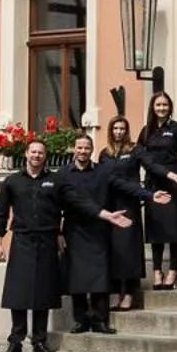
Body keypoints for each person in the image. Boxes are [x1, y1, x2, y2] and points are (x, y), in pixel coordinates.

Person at [60, 131, 152, 335]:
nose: (83, 151)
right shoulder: (63, 174)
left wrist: (150, 195)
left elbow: (125, 185)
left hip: (99, 230)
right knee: (77, 279)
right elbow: (57, 204)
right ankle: (81, 320)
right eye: (80, 147)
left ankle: (100, 320)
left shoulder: (102, 171)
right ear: (74, 150)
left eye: (86, 148)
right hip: (74, 230)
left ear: (92, 150)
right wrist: (58, 232)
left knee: (100, 277)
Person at [0, 139, 70, 352]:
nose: (36, 156)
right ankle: (16, 342)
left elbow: (66, 209)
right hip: (22, 241)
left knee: (43, 293)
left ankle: (40, 341)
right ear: (26, 154)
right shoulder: (12, 182)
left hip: (47, 240)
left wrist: (61, 234)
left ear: (45, 156)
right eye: (33, 152)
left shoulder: (55, 181)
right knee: (19, 293)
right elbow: (0, 213)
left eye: (40, 153)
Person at [135, 92, 177, 291]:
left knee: (174, 229)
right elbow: (140, 156)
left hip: (175, 182)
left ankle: (173, 270)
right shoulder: (146, 131)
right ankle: (157, 271)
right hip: (153, 184)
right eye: (158, 105)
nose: (161, 108)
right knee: (155, 230)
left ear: (170, 107)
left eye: (165, 105)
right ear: (152, 107)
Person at [101, 115, 152, 311]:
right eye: (116, 128)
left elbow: (151, 165)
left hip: (129, 204)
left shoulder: (134, 150)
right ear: (111, 131)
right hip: (111, 205)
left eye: (122, 128)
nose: (119, 132)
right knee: (113, 249)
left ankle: (130, 291)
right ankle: (115, 291)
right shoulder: (104, 154)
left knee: (130, 249)